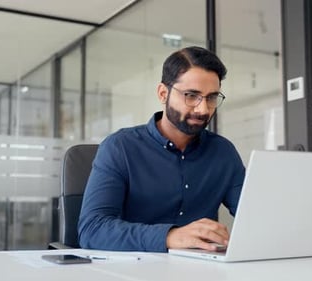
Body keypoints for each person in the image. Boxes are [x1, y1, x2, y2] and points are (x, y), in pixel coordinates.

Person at [78, 46, 245, 253]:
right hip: (133, 270)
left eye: (211, 97)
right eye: (191, 95)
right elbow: (92, 230)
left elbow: (254, 218)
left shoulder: (223, 152)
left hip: (202, 269)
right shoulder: (120, 147)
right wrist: (170, 236)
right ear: (163, 93)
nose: (203, 109)